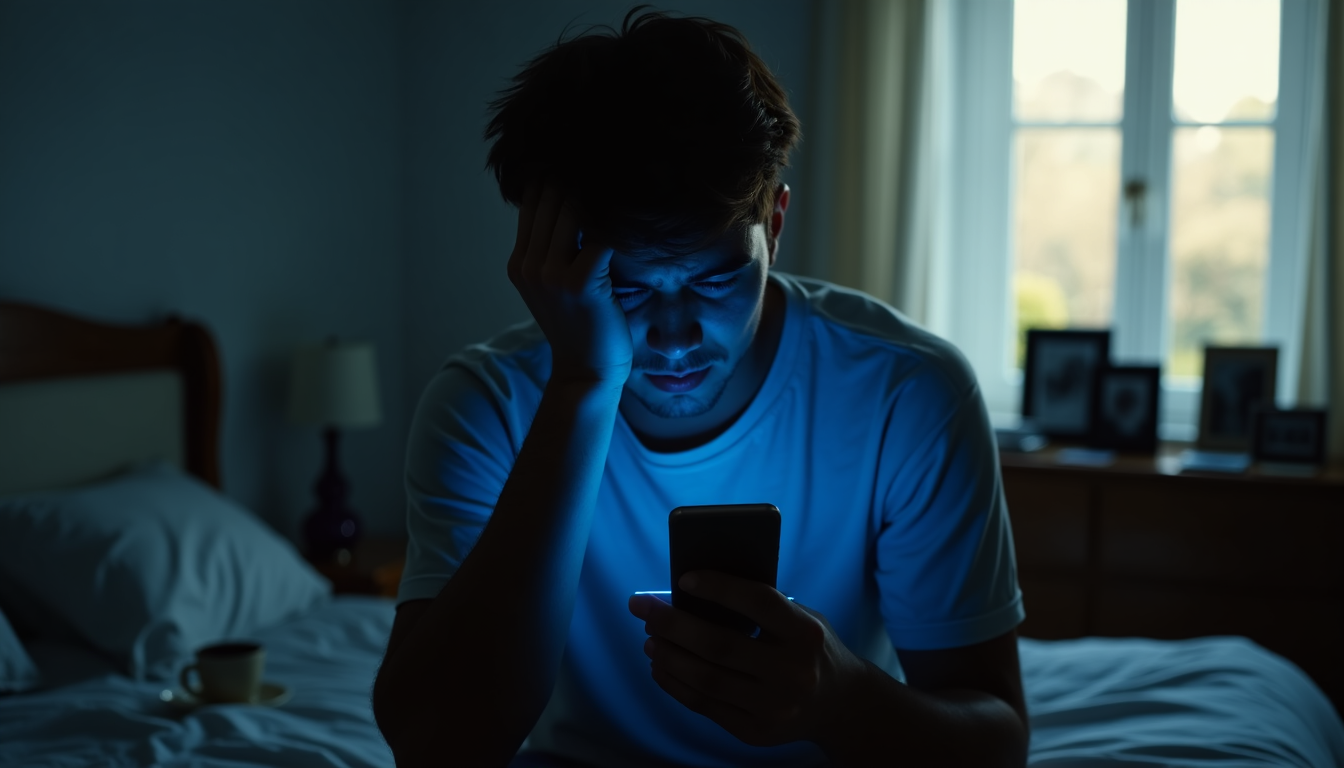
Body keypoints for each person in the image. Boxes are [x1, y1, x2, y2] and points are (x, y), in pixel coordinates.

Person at [372, 9, 1028, 767]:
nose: (676, 336)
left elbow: (998, 744)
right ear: (545, 256)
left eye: (718, 280)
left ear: (774, 227)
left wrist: (840, 699)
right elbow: (436, 745)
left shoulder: (906, 395)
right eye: (627, 287)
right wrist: (584, 385)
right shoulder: (486, 407)